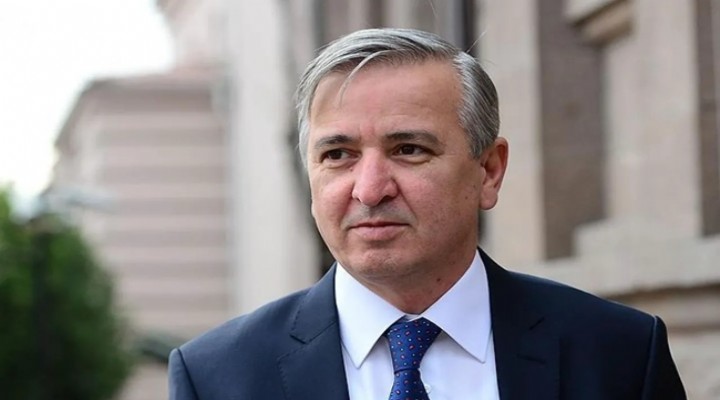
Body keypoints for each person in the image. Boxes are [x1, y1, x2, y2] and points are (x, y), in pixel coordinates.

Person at [168, 28, 686, 400]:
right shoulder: (217, 377)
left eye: (409, 149)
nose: (369, 189)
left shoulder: (618, 354)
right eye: (338, 154)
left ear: (488, 171)